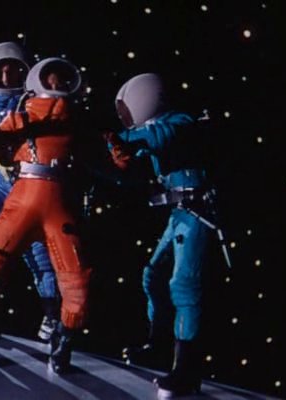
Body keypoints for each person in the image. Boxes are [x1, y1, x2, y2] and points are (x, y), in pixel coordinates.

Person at [0, 57, 91, 374]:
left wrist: (120, 152)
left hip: (57, 206)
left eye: (61, 79)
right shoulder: (22, 118)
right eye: (49, 79)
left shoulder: (82, 126)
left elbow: (113, 167)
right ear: (37, 82)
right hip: (23, 198)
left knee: (76, 283)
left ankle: (63, 343)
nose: (55, 84)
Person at [106, 73, 217, 397]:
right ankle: (158, 346)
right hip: (181, 213)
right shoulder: (152, 132)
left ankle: (187, 370)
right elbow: (135, 161)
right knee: (153, 276)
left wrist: (121, 138)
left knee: (183, 285)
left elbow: (157, 136)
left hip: (198, 213)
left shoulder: (180, 123)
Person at [0, 42, 61, 341]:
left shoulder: (37, 100)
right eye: (0, 71)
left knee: (41, 253)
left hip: (28, 183)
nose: (6, 77)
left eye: (13, 70)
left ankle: (53, 316)